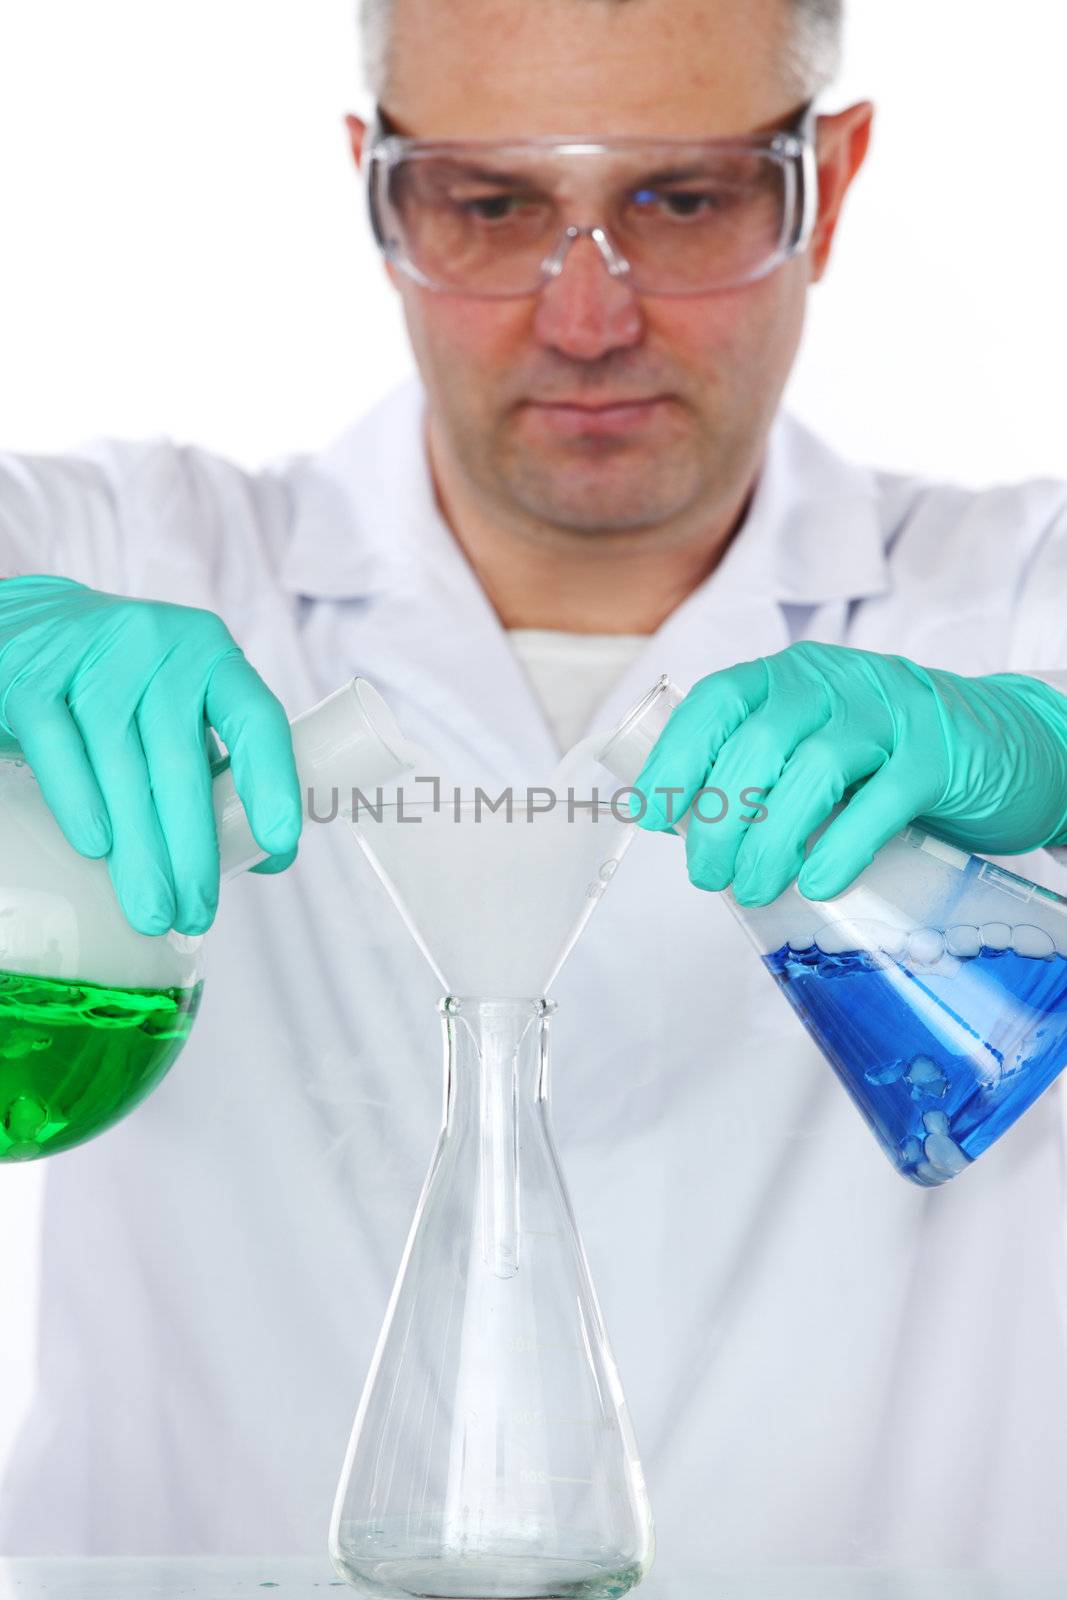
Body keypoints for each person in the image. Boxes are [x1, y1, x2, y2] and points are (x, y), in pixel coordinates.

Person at [1, 0, 1066, 1576]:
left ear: (825, 186)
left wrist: (1036, 746)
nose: (585, 317)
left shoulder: (1013, 591)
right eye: (492, 207)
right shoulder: (134, 554)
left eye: (682, 200)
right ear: (380, 190)